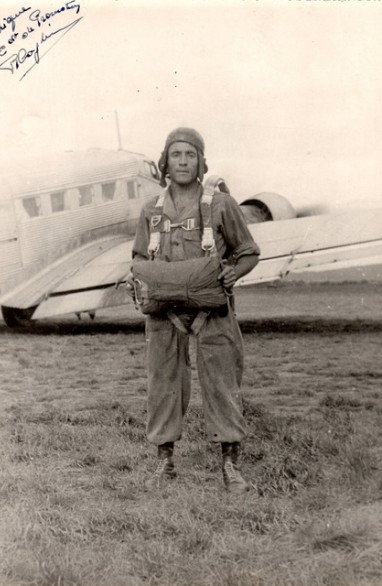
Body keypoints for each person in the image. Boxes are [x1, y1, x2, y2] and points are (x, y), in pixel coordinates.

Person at [130, 128, 260, 493]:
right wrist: (140, 281)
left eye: (190, 154)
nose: (183, 161)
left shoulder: (220, 204)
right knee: (163, 385)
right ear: (165, 162)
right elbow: (140, 257)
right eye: (176, 155)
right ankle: (164, 463)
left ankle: (230, 467)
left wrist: (234, 272)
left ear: (201, 161)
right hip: (163, 314)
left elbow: (247, 250)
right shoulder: (150, 210)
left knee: (222, 383)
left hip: (212, 311)